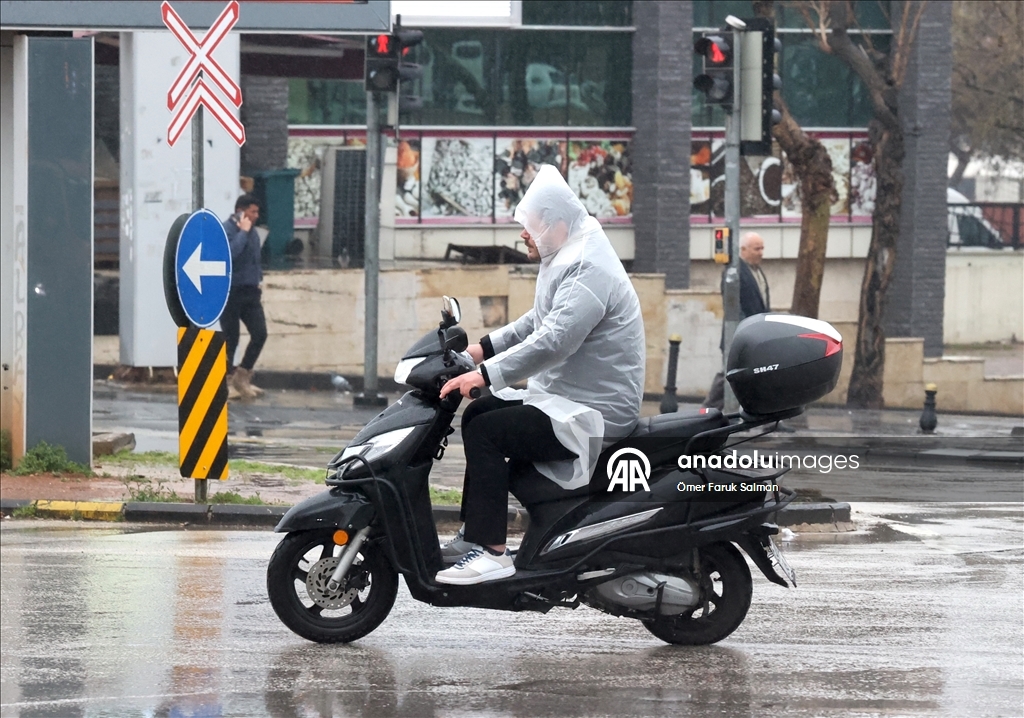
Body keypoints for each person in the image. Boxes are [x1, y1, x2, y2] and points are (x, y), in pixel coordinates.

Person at [434, 165, 646, 585]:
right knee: (478, 415)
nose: (524, 235)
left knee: (487, 431)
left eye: (531, 226)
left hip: (594, 411)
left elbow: (555, 341)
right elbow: (538, 321)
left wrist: (485, 376)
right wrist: (479, 350)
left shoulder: (587, 267)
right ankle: (474, 535)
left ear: (558, 224)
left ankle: (492, 553)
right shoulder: (567, 254)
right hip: (566, 399)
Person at [703, 231, 771, 410]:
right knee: (729, 375)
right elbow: (734, 308)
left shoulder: (756, 271)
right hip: (742, 336)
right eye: (757, 249)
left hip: (756, 336)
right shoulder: (734, 272)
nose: (761, 252)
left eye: (762, 248)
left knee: (757, 375)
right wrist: (746, 333)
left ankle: (763, 416)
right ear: (743, 249)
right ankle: (708, 411)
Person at [221, 194, 268, 400]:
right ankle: (225, 381)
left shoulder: (253, 232)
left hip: (250, 290)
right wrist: (242, 232)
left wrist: (258, 278)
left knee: (260, 333)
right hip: (231, 291)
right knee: (231, 339)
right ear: (240, 210)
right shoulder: (227, 229)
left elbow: (255, 258)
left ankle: (243, 375)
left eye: (257, 212)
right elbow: (230, 255)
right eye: (252, 211)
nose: (256, 216)